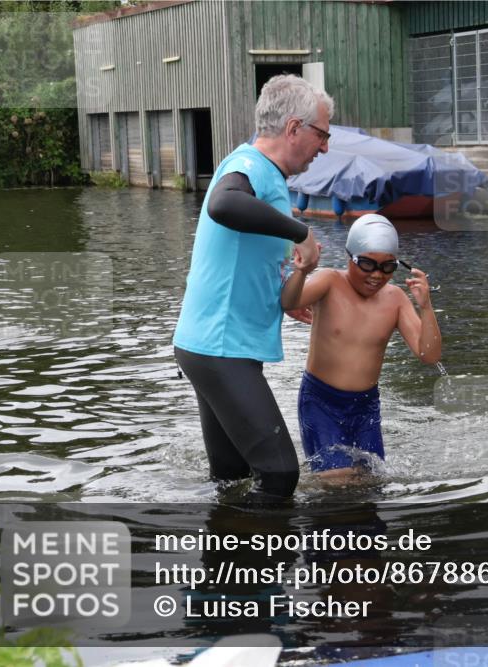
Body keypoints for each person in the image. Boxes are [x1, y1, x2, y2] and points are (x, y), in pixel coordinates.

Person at [173, 75, 333, 500]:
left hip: (213, 344)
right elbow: (223, 204)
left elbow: (244, 257)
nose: (325, 146)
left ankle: (228, 559)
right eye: (322, 134)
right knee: (279, 473)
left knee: (232, 476)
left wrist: (281, 294)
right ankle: (265, 563)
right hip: (220, 347)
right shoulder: (249, 167)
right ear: (294, 128)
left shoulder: (267, 176)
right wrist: (300, 232)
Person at [280, 214, 442, 481]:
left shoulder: (396, 299)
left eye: (387, 267)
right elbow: (289, 301)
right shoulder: (329, 282)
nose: (376, 275)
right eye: (366, 264)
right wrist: (302, 271)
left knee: (371, 483)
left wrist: (425, 307)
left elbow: (429, 354)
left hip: (366, 407)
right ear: (349, 256)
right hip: (321, 401)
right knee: (336, 479)